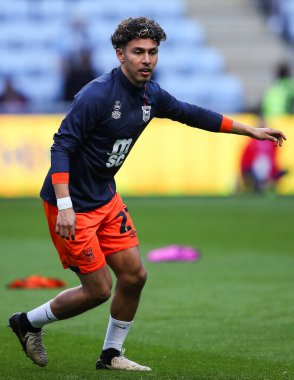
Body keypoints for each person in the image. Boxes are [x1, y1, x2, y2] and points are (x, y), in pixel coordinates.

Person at [8, 17, 286, 372]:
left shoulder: (150, 94)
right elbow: (61, 146)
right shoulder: (96, 95)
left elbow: (192, 113)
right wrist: (65, 206)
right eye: (138, 52)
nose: (147, 60)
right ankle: (28, 323)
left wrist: (250, 130)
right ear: (120, 54)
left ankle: (111, 355)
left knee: (135, 276)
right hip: (71, 204)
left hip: (105, 198)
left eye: (153, 52)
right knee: (97, 290)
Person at [238, 116, 288, 193]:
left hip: (267, 168)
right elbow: (246, 158)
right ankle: (260, 185)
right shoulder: (251, 142)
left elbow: (273, 159)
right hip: (253, 168)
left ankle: (264, 185)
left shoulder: (272, 142)